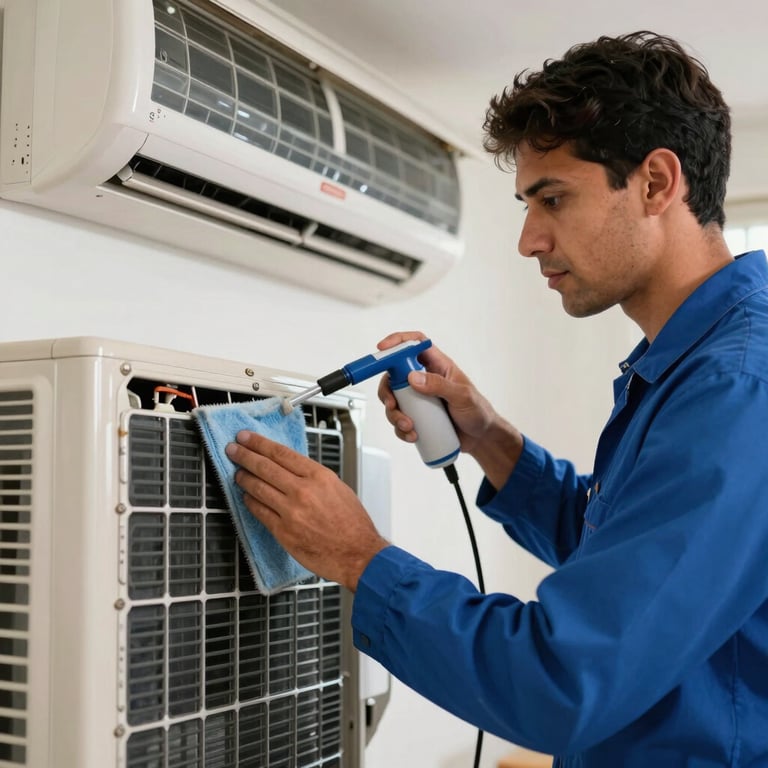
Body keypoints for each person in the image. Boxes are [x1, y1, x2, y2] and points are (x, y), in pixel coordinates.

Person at [224, 31, 768, 767]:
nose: (528, 240)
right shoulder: (695, 365)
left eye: (553, 198)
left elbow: (563, 681)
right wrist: (488, 436)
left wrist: (360, 557)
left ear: (656, 184)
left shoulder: (735, 390)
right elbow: (625, 555)